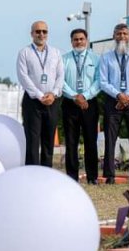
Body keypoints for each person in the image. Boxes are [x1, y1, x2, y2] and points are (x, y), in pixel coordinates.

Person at [98, 23, 129, 185]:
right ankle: (109, 175)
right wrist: (119, 95)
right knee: (110, 138)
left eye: (125, 34)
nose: (122, 37)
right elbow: (103, 82)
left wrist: (128, 96)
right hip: (113, 100)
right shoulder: (106, 57)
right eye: (119, 34)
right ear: (114, 36)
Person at [16, 21, 64, 167]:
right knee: (32, 139)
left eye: (44, 31)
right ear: (32, 34)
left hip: (52, 101)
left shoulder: (56, 53)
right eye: (37, 31)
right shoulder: (24, 53)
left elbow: (60, 75)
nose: (41, 34)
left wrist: (53, 94)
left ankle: (46, 172)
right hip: (33, 102)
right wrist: (39, 95)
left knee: (48, 140)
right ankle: (32, 172)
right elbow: (23, 77)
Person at [60, 28, 100, 184]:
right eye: (75, 39)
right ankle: (72, 177)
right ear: (71, 42)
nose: (79, 42)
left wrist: (85, 96)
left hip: (89, 104)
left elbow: (99, 81)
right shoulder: (64, 59)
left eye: (81, 39)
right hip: (70, 104)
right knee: (71, 142)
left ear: (86, 40)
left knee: (91, 141)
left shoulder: (95, 59)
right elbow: (60, 81)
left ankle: (92, 177)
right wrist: (74, 96)